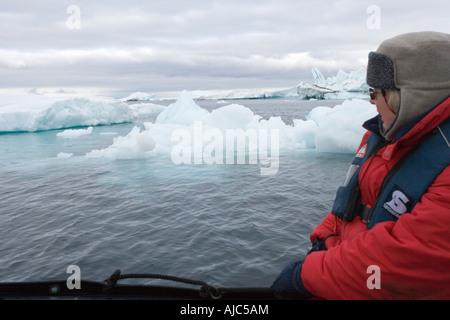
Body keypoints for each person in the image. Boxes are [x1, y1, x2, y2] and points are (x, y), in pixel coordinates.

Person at [271, 31, 450, 299]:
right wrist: (321, 241)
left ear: (413, 96)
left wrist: (306, 276)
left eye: (377, 92)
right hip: (346, 275)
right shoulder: (378, 140)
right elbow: (347, 206)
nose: (371, 101)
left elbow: (407, 261)